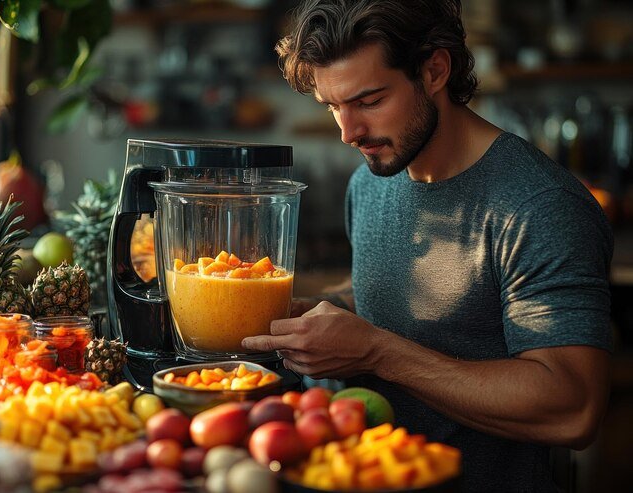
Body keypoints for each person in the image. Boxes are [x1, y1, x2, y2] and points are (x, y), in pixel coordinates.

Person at [241, 1, 614, 491]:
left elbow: (573, 408)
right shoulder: (370, 182)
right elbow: (413, 310)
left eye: (369, 101)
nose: (348, 133)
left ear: (435, 70)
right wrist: (325, 318)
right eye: (333, 106)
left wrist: (375, 352)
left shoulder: (537, 206)